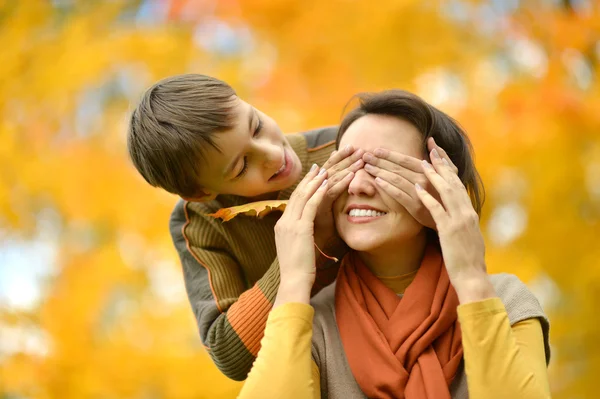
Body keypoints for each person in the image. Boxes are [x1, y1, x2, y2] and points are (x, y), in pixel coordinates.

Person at [127, 74, 453, 380]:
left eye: (256, 127)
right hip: (317, 371)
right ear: (201, 192)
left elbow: (451, 225)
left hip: (423, 336)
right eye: (242, 166)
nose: (271, 154)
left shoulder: (342, 146)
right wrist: (310, 242)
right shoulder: (198, 223)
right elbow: (229, 353)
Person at [238, 90, 551, 398]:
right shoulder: (311, 322)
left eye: (382, 167)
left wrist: (470, 278)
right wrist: (292, 281)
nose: (359, 185)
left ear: (443, 185)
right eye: (347, 167)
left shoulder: (504, 301)